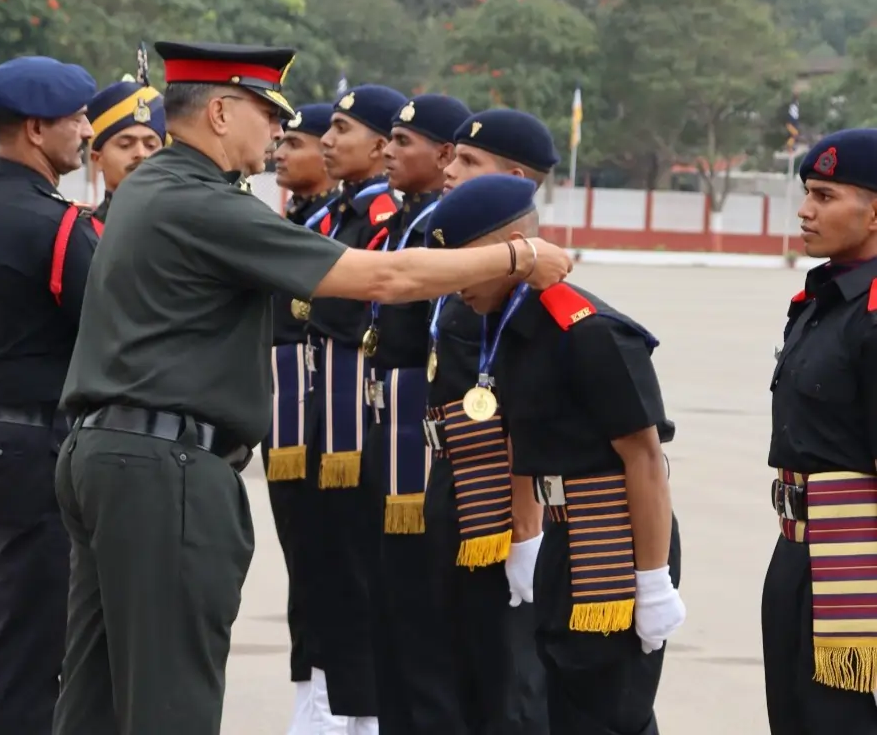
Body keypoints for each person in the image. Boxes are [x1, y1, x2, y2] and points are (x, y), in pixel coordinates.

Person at [51, 40, 574, 735]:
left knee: (95, 700)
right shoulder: (202, 201)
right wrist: (518, 255)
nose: (278, 130)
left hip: (112, 456)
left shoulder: (152, 187)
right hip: (161, 470)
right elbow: (380, 278)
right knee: (168, 703)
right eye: (267, 114)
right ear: (219, 113)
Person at [425, 173, 685, 735]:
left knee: (610, 715)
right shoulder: (510, 327)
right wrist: (527, 540)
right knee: (562, 703)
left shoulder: (586, 332)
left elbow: (644, 460)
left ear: (512, 250)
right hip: (561, 532)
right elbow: (520, 439)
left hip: (614, 538)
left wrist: (653, 581)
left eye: (465, 261)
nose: (455, 280)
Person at [0, 55, 98, 735]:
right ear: (37, 129)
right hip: (40, 443)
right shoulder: (57, 225)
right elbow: (111, 329)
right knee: (34, 652)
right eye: (78, 118)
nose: (87, 130)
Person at [423, 108, 562, 735]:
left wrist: (527, 536)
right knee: (463, 664)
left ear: (514, 182)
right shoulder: (469, 279)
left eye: (469, 161)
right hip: (455, 479)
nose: (450, 169)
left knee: (511, 678)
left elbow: (529, 424)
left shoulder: (531, 300)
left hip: (503, 504)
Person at [362, 92, 472, 735]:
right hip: (392, 428)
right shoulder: (412, 218)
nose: (390, 150)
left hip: (428, 443)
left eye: (404, 141)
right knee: (392, 608)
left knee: (425, 620)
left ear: (443, 153)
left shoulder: (445, 231)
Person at [763, 128, 877, 735]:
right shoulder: (817, 302)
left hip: (857, 564)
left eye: (825, 196)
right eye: (807, 193)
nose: (805, 211)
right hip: (796, 548)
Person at [304, 82, 406, 734]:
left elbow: (351, 314)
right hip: (329, 411)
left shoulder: (382, 220)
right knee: (331, 571)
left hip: (371, 421)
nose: (327, 141)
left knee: (368, 576)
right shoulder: (339, 212)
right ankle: (333, 711)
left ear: (379, 145)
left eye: (343, 129)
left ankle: (362, 716)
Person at [262, 101, 340, 733]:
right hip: (290, 418)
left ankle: (333, 707)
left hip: (334, 424)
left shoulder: (347, 222)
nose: (280, 152)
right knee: (306, 569)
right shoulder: (300, 218)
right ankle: (311, 701)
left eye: (296, 142)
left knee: (334, 572)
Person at [86, 46, 167, 224]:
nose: (141, 153)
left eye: (151, 146)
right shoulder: (81, 232)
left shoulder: (184, 230)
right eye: (125, 145)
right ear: (97, 159)